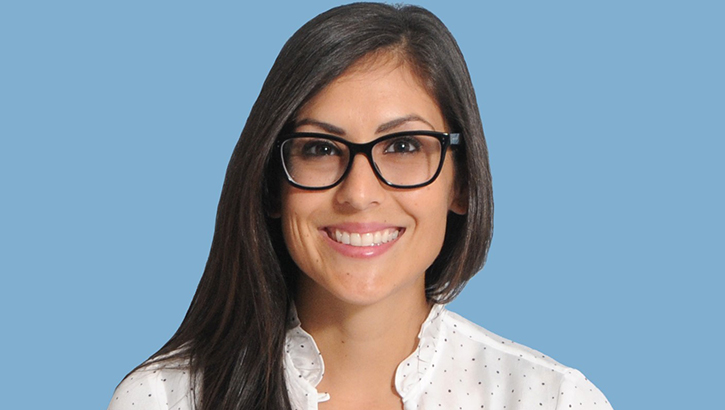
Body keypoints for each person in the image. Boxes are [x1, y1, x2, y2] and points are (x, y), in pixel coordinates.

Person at [108, 3, 612, 410]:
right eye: (321, 149)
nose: (359, 193)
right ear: (270, 186)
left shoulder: (554, 401)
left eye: (404, 146)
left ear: (461, 184)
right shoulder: (165, 400)